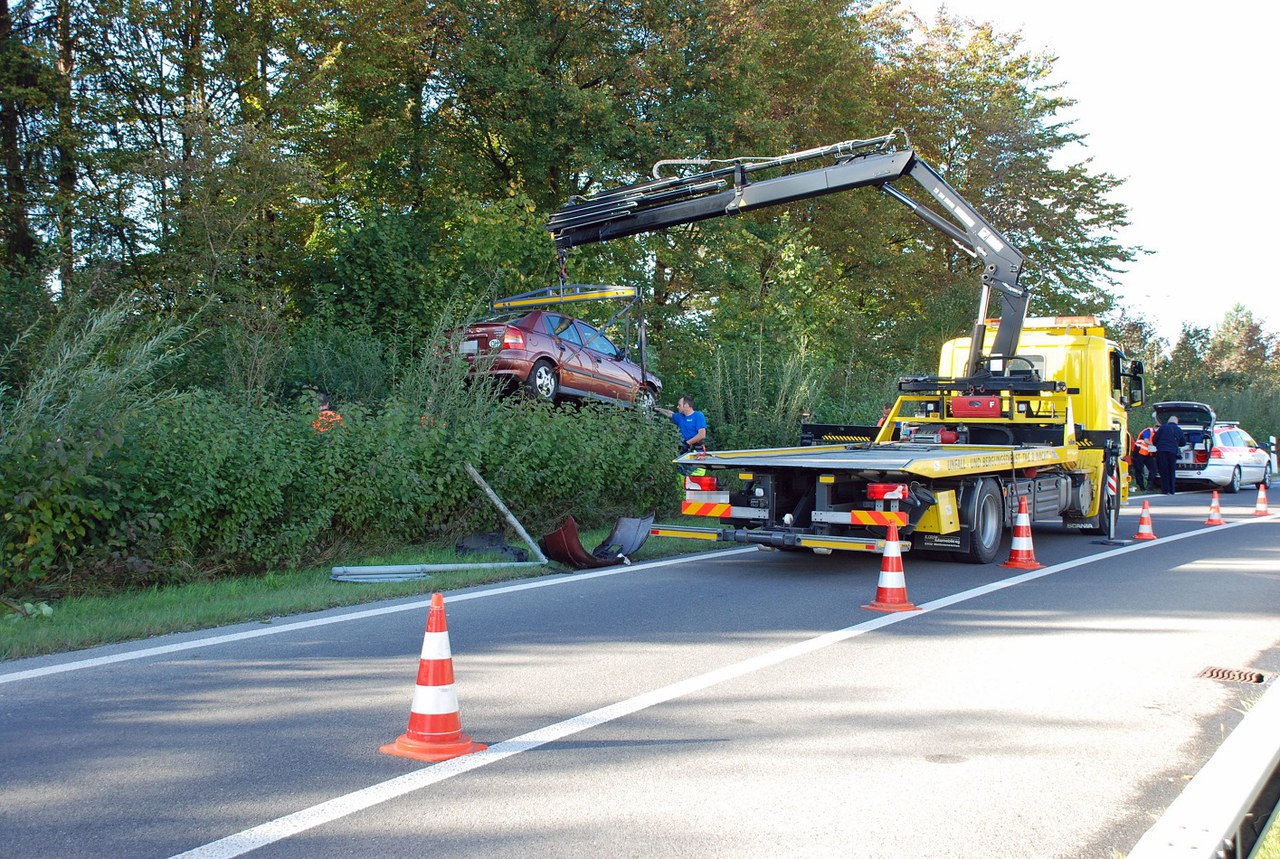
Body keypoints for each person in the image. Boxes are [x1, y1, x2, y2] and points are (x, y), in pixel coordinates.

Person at [1151, 415, 1184, 495]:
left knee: (1163, 471)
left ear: (1168, 421)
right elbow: (1183, 442)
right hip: (1172, 452)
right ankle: (1172, 490)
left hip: (1161, 451)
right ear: (1177, 422)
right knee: (1171, 471)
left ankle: (1165, 490)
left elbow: (1154, 439)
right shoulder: (1179, 430)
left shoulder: (1162, 428)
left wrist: (1158, 445)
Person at [1131, 422, 1159, 491]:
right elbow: (1146, 440)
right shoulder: (1149, 431)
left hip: (1147, 454)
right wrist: (1154, 445)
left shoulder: (1156, 434)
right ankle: (1141, 487)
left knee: (1153, 469)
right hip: (1139, 452)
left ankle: (1150, 485)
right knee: (1139, 470)